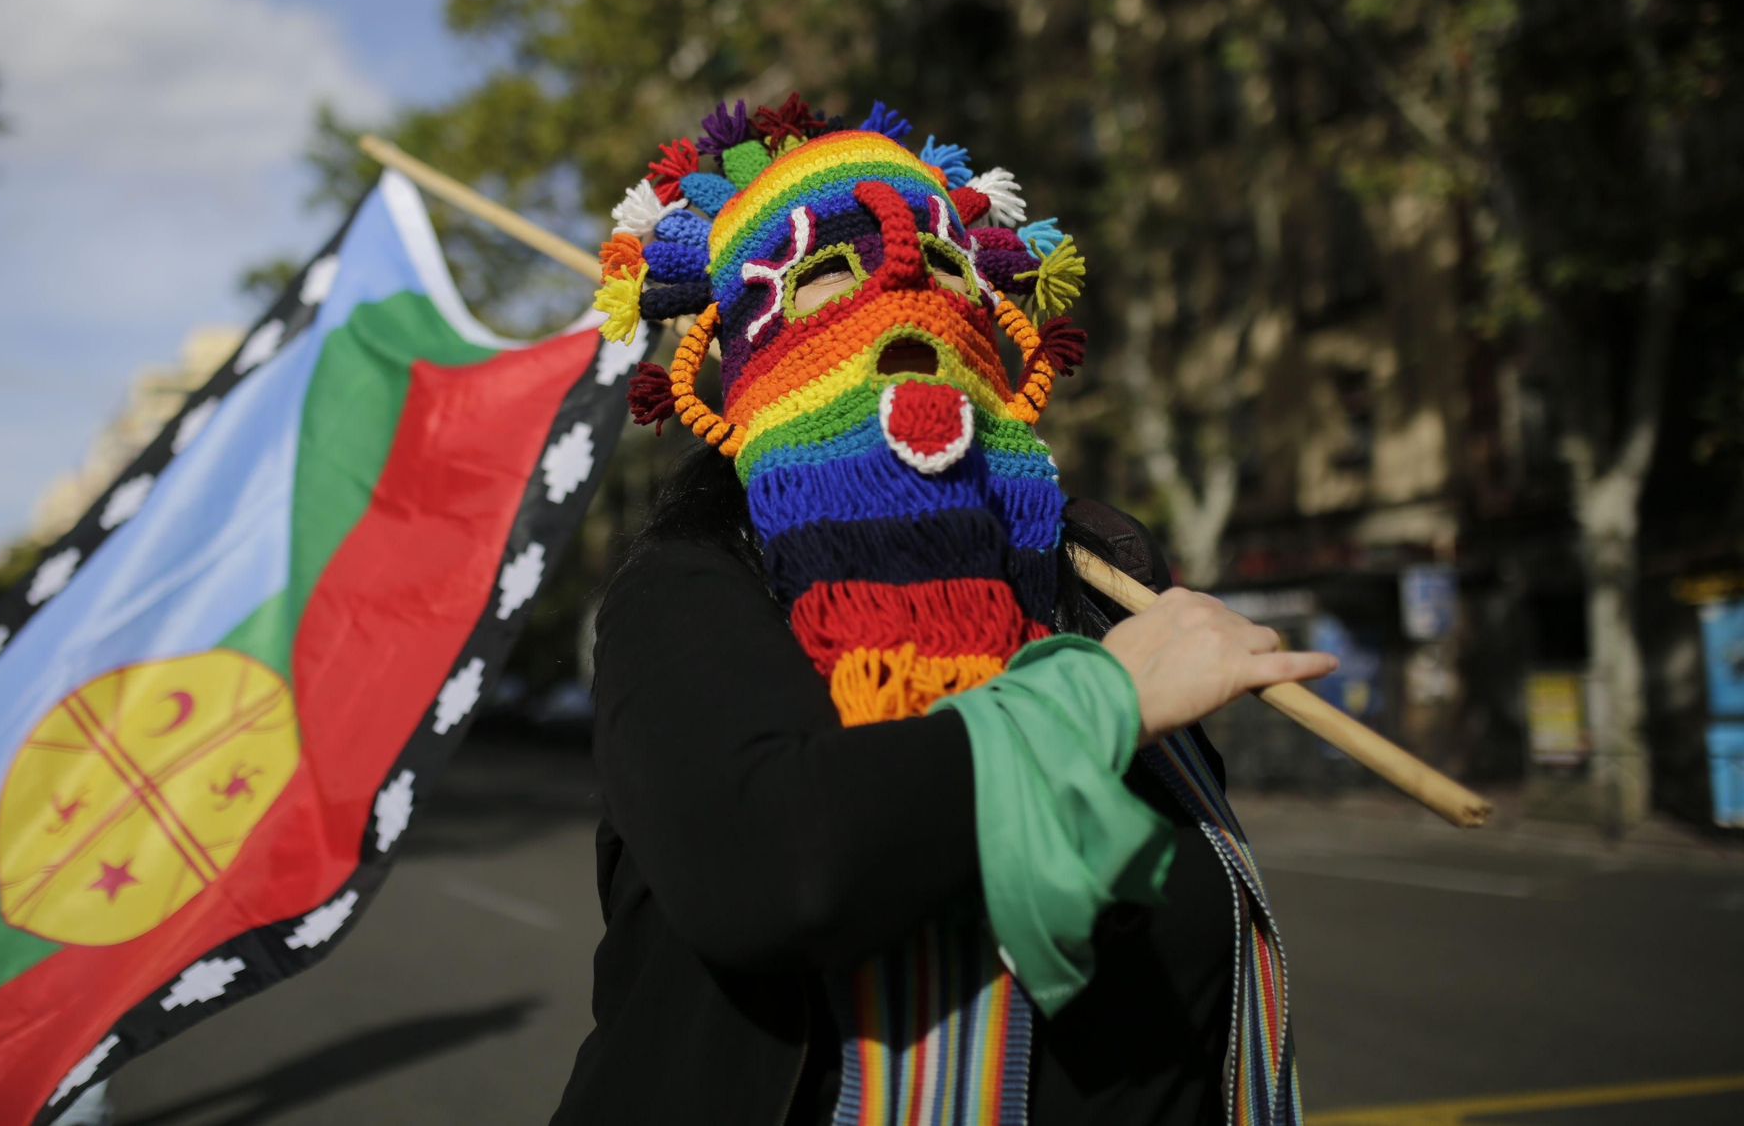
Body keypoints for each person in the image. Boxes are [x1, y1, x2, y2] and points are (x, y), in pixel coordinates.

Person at [553, 99, 1337, 1126]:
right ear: (749, 345)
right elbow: (776, 867)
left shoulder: (1092, 578)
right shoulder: (692, 584)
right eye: (826, 267)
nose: (903, 287)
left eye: (938, 258)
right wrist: (1099, 699)